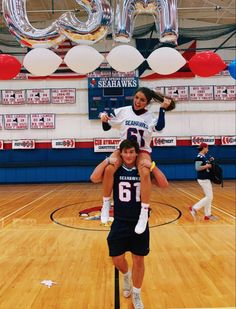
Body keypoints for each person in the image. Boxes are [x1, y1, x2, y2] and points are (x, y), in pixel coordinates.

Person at [90, 139, 168, 309]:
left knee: (139, 260)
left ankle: (137, 294)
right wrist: (106, 161)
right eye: (125, 152)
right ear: (121, 153)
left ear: (137, 153)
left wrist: (153, 166)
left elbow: (164, 184)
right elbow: (94, 178)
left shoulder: (143, 170)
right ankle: (126, 274)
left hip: (139, 221)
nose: (128, 155)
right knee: (117, 259)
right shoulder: (116, 169)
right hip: (120, 221)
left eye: (132, 152)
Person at [99, 87, 175, 234]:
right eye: (137, 97)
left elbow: (160, 127)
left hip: (141, 150)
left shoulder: (151, 116)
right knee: (109, 168)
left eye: (142, 100)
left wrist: (163, 109)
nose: (138, 101)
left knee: (145, 173)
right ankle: (106, 204)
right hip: (123, 149)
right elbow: (106, 127)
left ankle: (144, 212)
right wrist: (103, 118)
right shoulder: (123, 111)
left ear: (147, 103)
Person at [189, 142, 219, 221]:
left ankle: (207, 215)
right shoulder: (199, 157)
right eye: (207, 148)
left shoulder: (203, 157)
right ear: (204, 148)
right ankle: (194, 208)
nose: (208, 150)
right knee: (209, 197)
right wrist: (207, 165)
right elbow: (197, 168)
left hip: (205, 178)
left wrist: (209, 161)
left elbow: (204, 165)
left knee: (209, 197)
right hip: (203, 179)